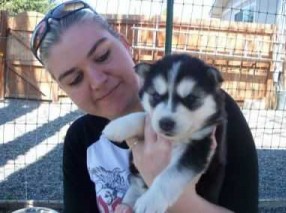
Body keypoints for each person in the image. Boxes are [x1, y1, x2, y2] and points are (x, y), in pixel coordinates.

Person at [30, 1, 259, 212]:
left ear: (126, 45)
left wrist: (173, 196)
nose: (98, 81)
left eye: (102, 56)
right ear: (63, 88)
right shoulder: (81, 140)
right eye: (74, 79)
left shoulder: (212, 111)